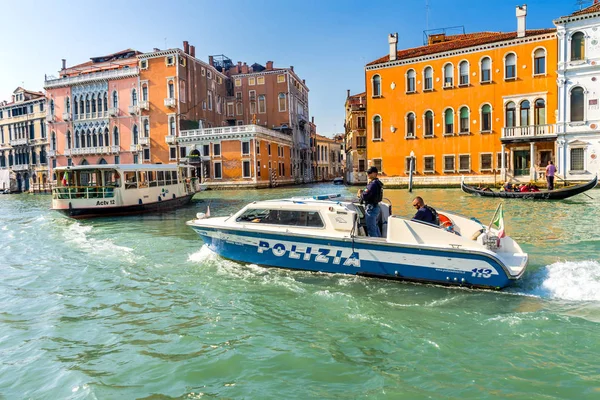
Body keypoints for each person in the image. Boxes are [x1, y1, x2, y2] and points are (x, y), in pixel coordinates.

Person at [357, 166, 384, 237]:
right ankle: (379, 241)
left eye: (369, 173)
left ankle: (375, 245)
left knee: (371, 229)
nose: (367, 174)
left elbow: (365, 196)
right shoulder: (377, 183)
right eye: (367, 172)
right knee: (375, 227)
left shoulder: (372, 184)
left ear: (375, 174)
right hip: (375, 207)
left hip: (371, 208)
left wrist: (360, 194)